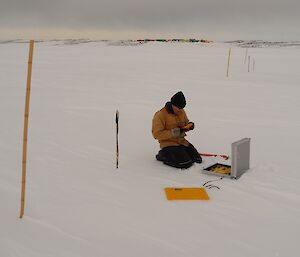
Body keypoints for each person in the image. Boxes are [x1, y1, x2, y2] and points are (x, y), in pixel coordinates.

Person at [152, 91, 202, 169]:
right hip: (168, 144)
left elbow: (185, 125)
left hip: (182, 142)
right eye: (178, 108)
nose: (180, 110)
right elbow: (157, 134)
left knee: (197, 159)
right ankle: (163, 155)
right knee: (185, 163)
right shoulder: (160, 115)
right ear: (173, 104)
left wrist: (189, 125)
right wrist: (174, 132)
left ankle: (181, 152)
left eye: (181, 108)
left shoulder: (181, 111)